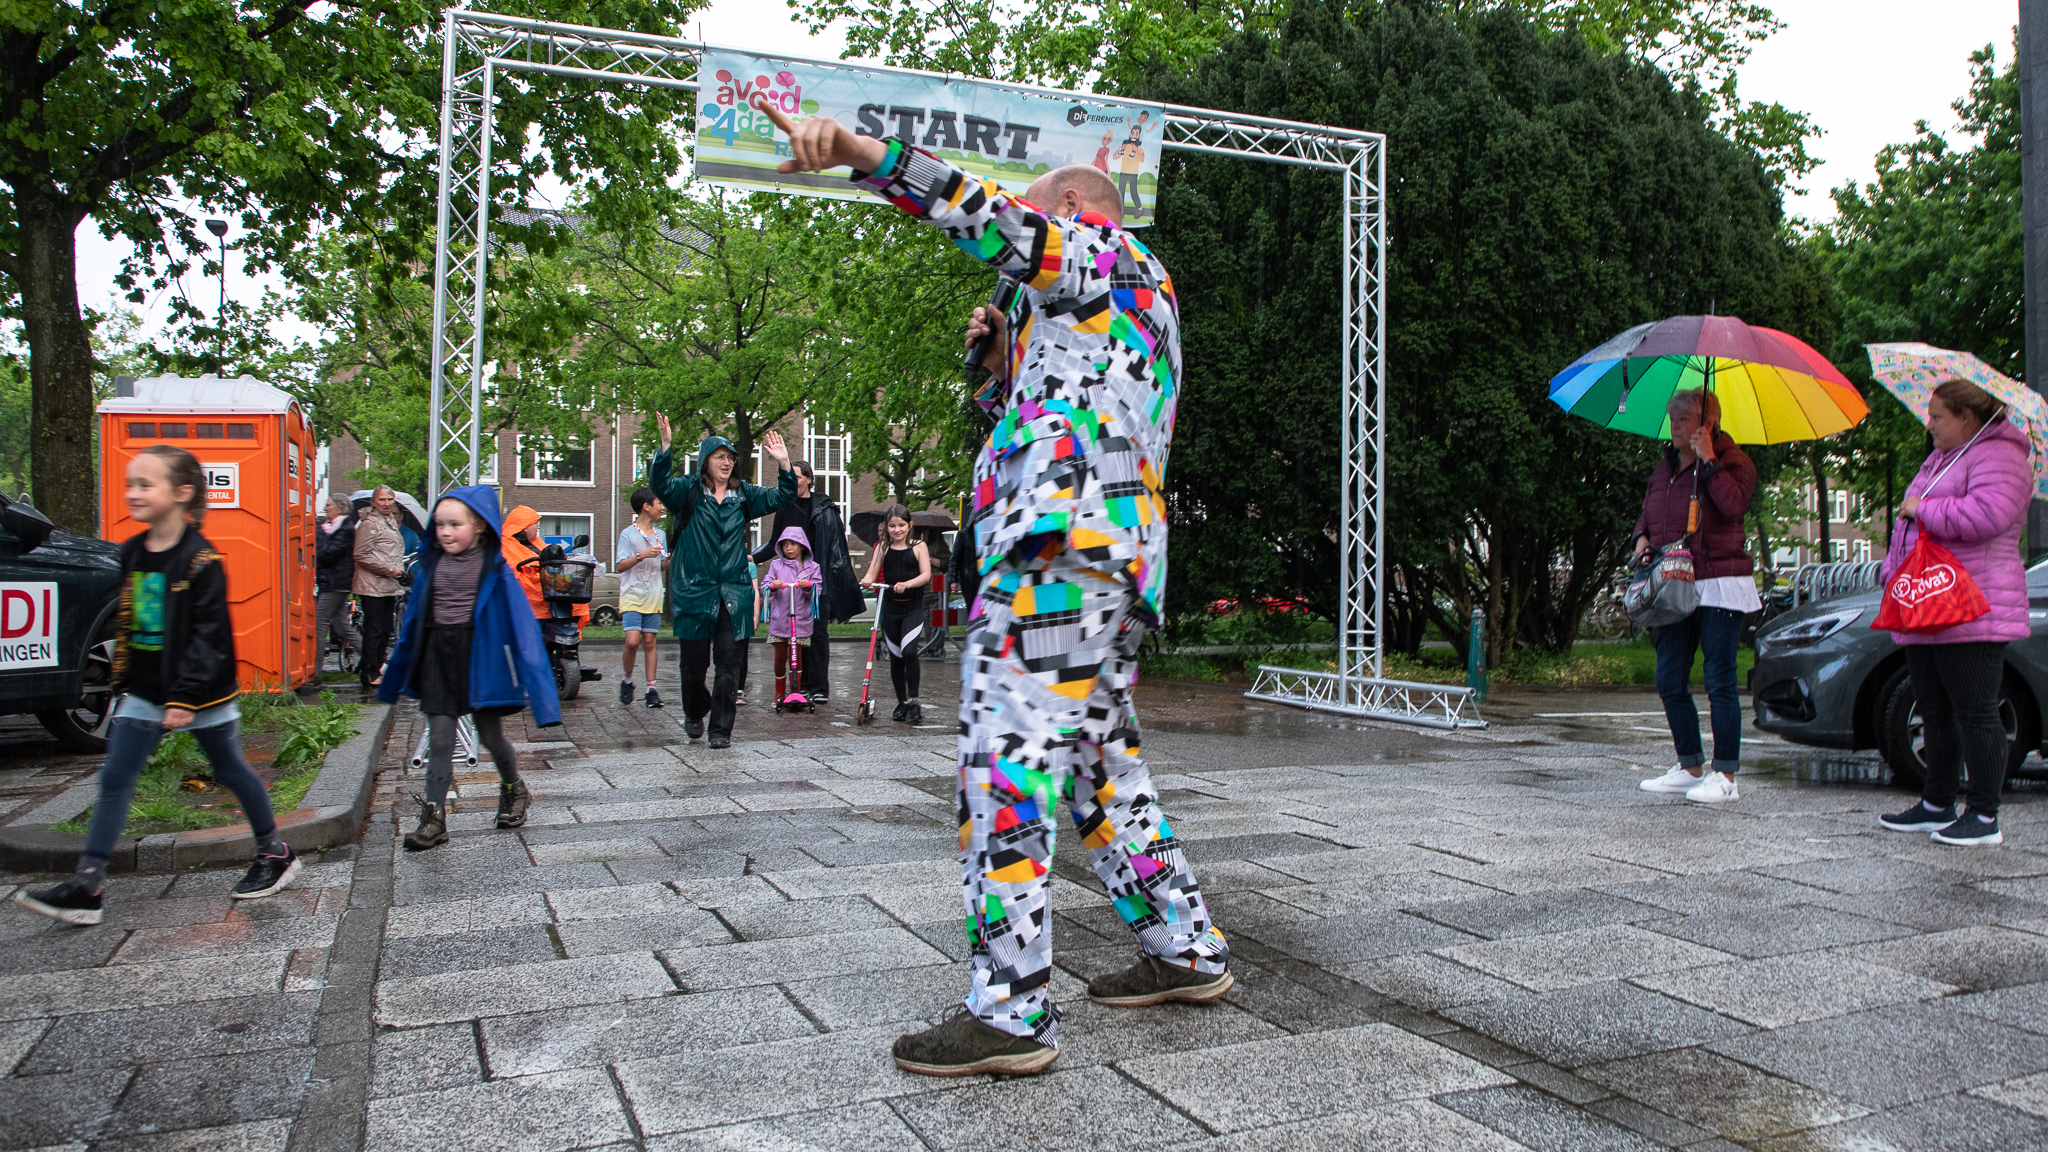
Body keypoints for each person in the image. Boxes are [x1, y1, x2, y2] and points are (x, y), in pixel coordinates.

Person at [763, 99, 1230, 1077]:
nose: (1021, 232)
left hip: (1057, 564)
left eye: (1035, 207)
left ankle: (1010, 1011)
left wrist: (859, 154)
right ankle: (1183, 950)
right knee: (1101, 779)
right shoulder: (1104, 315)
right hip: (1090, 563)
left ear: (1069, 203)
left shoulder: (1111, 256)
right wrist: (989, 367)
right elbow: (1028, 427)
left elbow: (990, 217)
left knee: (1004, 775)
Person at [15, 447, 300, 925]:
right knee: (115, 780)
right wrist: (124, 679)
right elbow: (133, 621)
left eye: (146, 485)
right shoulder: (133, 551)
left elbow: (211, 638)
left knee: (231, 771)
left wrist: (185, 697)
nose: (133, 493)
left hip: (200, 694)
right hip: (146, 693)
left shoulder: (200, 561)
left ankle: (274, 852)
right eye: (131, 484)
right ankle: (88, 883)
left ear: (181, 494)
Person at [1877, 378, 2032, 846]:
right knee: (1933, 710)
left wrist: (1923, 508)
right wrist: (1891, 570)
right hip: (1929, 602)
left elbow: (1989, 515)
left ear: (1966, 418)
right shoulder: (1944, 457)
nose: (1929, 424)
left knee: (1977, 712)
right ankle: (1935, 803)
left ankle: (1984, 816)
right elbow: (1908, 523)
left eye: (1938, 415)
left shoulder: (2001, 457)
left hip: (1972, 606)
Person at [378, 488, 560, 849]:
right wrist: (394, 672)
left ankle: (514, 789)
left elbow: (524, 630)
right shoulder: (430, 566)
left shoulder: (496, 569)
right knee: (441, 738)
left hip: (482, 660)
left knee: (491, 737)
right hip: (438, 658)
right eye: (440, 524)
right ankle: (433, 817)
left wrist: (542, 696)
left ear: (478, 525)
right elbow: (413, 623)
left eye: (454, 525)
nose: (445, 532)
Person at [1633, 389, 1758, 804]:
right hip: (1674, 580)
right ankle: (1689, 765)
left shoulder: (1733, 461)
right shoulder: (1664, 466)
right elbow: (1649, 507)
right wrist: (1642, 537)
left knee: (1719, 676)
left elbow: (1733, 505)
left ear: (1708, 423)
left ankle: (1726, 776)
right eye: (1673, 420)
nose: (1676, 428)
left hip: (1720, 580)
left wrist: (1710, 461)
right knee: (1669, 677)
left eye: (1684, 420)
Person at [647, 417, 795, 749]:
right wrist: (666, 446)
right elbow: (660, 483)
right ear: (705, 461)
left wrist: (784, 463)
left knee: (729, 665)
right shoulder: (686, 490)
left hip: (734, 593)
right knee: (693, 667)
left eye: (730, 457)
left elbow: (783, 497)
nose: (727, 462)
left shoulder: (744, 495)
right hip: (694, 593)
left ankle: (720, 730)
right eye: (719, 457)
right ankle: (695, 710)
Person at [754, 460, 864, 702]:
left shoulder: (824, 506)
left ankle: (819, 688)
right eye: (789, 477)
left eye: (798, 476)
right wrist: (751, 557)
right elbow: (775, 542)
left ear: (809, 479)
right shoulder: (784, 507)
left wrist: (837, 578)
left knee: (818, 634)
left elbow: (837, 547)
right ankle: (799, 686)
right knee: (796, 636)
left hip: (817, 579)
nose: (794, 481)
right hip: (791, 581)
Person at [862, 505, 932, 724]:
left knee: (909, 651)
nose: (897, 529)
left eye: (901, 525)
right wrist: (866, 579)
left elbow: (926, 575)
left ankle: (914, 702)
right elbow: (872, 572)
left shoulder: (919, 546)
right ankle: (901, 703)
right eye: (892, 526)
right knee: (896, 657)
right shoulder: (882, 547)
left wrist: (907, 584)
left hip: (913, 607)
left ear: (909, 525)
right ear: (886, 527)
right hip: (890, 609)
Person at [502, 506, 590, 640]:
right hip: (529, 608)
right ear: (525, 526)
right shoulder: (505, 546)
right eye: (536, 523)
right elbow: (515, 573)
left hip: (550, 600)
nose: (538, 527)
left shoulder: (537, 543)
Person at [616, 488, 669, 708]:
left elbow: (663, 565)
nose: (662, 508)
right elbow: (619, 566)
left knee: (649, 641)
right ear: (646, 506)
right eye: (659, 503)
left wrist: (671, 558)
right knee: (632, 641)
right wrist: (641, 555)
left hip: (654, 593)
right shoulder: (628, 534)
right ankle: (627, 680)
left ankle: (651, 689)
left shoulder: (661, 535)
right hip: (632, 593)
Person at [353, 485, 406, 689]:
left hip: (388, 585)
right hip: (372, 585)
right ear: (374, 501)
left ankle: (377, 666)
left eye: (390, 499)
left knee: (385, 630)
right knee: (374, 629)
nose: (387, 503)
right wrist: (388, 569)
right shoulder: (369, 523)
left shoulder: (390, 521)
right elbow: (361, 555)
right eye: (382, 500)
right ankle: (369, 671)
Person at [762, 527, 822, 702]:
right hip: (781, 619)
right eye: (785, 545)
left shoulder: (812, 567)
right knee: (780, 657)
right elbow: (765, 586)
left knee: (796, 656)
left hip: (800, 619)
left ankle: (795, 690)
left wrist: (808, 586)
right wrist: (773, 585)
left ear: (802, 546)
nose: (789, 548)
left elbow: (817, 588)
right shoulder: (776, 565)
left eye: (793, 544)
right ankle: (779, 693)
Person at [316, 494, 360, 669]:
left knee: (319, 623)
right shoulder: (329, 528)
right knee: (342, 628)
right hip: (335, 584)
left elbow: (327, 553)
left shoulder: (344, 529)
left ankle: (316, 671)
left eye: (328, 505)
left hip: (335, 584)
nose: (326, 508)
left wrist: (318, 558)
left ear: (339, 508)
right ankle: (375, 662)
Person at [1112, 126, 1146, 214]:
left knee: (1133, 192)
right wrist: (1120, 149)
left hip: (1133, 173)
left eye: (1136, 133)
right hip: (1123, 172)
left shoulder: (1139, 148)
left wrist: (1136, 150)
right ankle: (1121, 211)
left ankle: (1139, 209)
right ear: (1129, 134)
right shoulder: (1125, 145)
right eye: (1133, 132)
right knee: (1121, 192)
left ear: (1139, 136)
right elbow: (1114, 157)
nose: (1134, 135)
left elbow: (1142, 159)